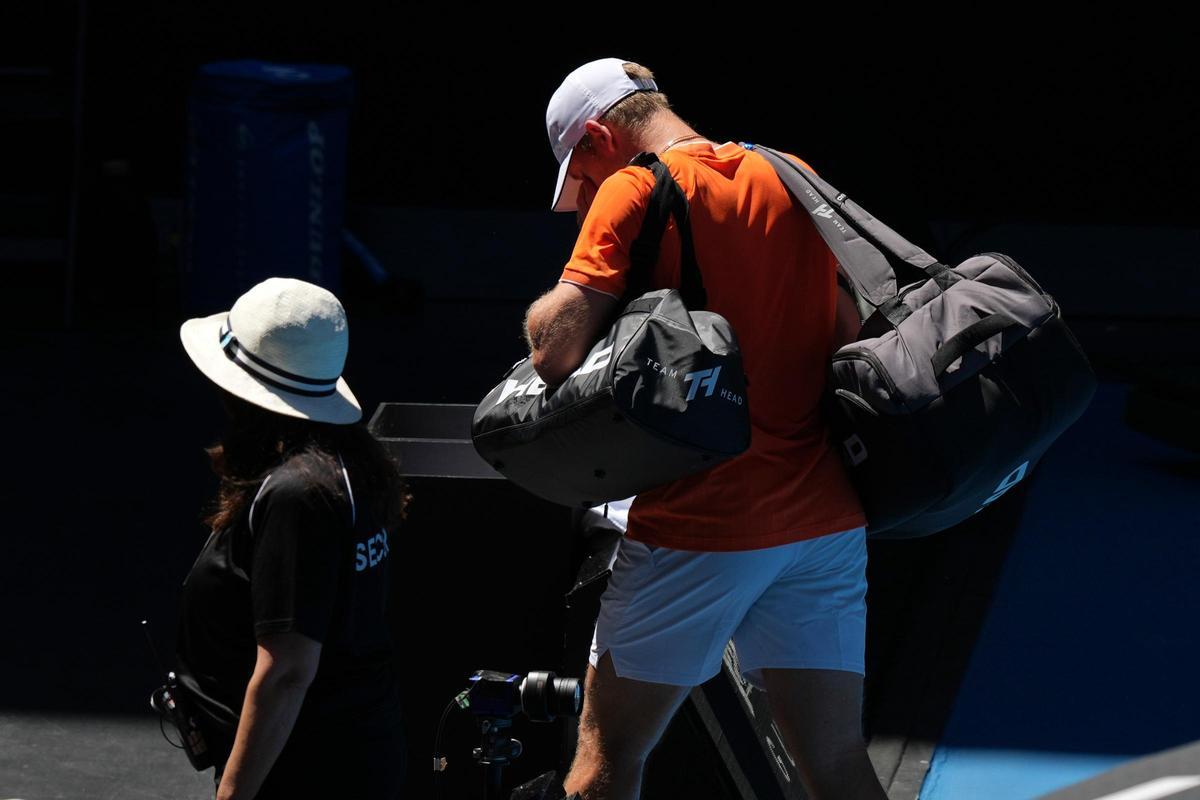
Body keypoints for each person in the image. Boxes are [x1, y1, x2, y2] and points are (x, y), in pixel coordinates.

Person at [524, 59, 887, 799]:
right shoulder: (791, 173)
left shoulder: (633, 188)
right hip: (822, 524)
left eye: (581, 179)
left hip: (702, 523)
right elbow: (846, 329)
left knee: (603, 766)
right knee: (837, 766)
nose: (585, 198)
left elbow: (553, 350)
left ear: (598, 136)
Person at [176, 277, 408, 799]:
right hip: (336, 758)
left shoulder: (297, 496)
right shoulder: (344, 466)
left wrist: (233, 795)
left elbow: (286, 672)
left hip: (304, 772)